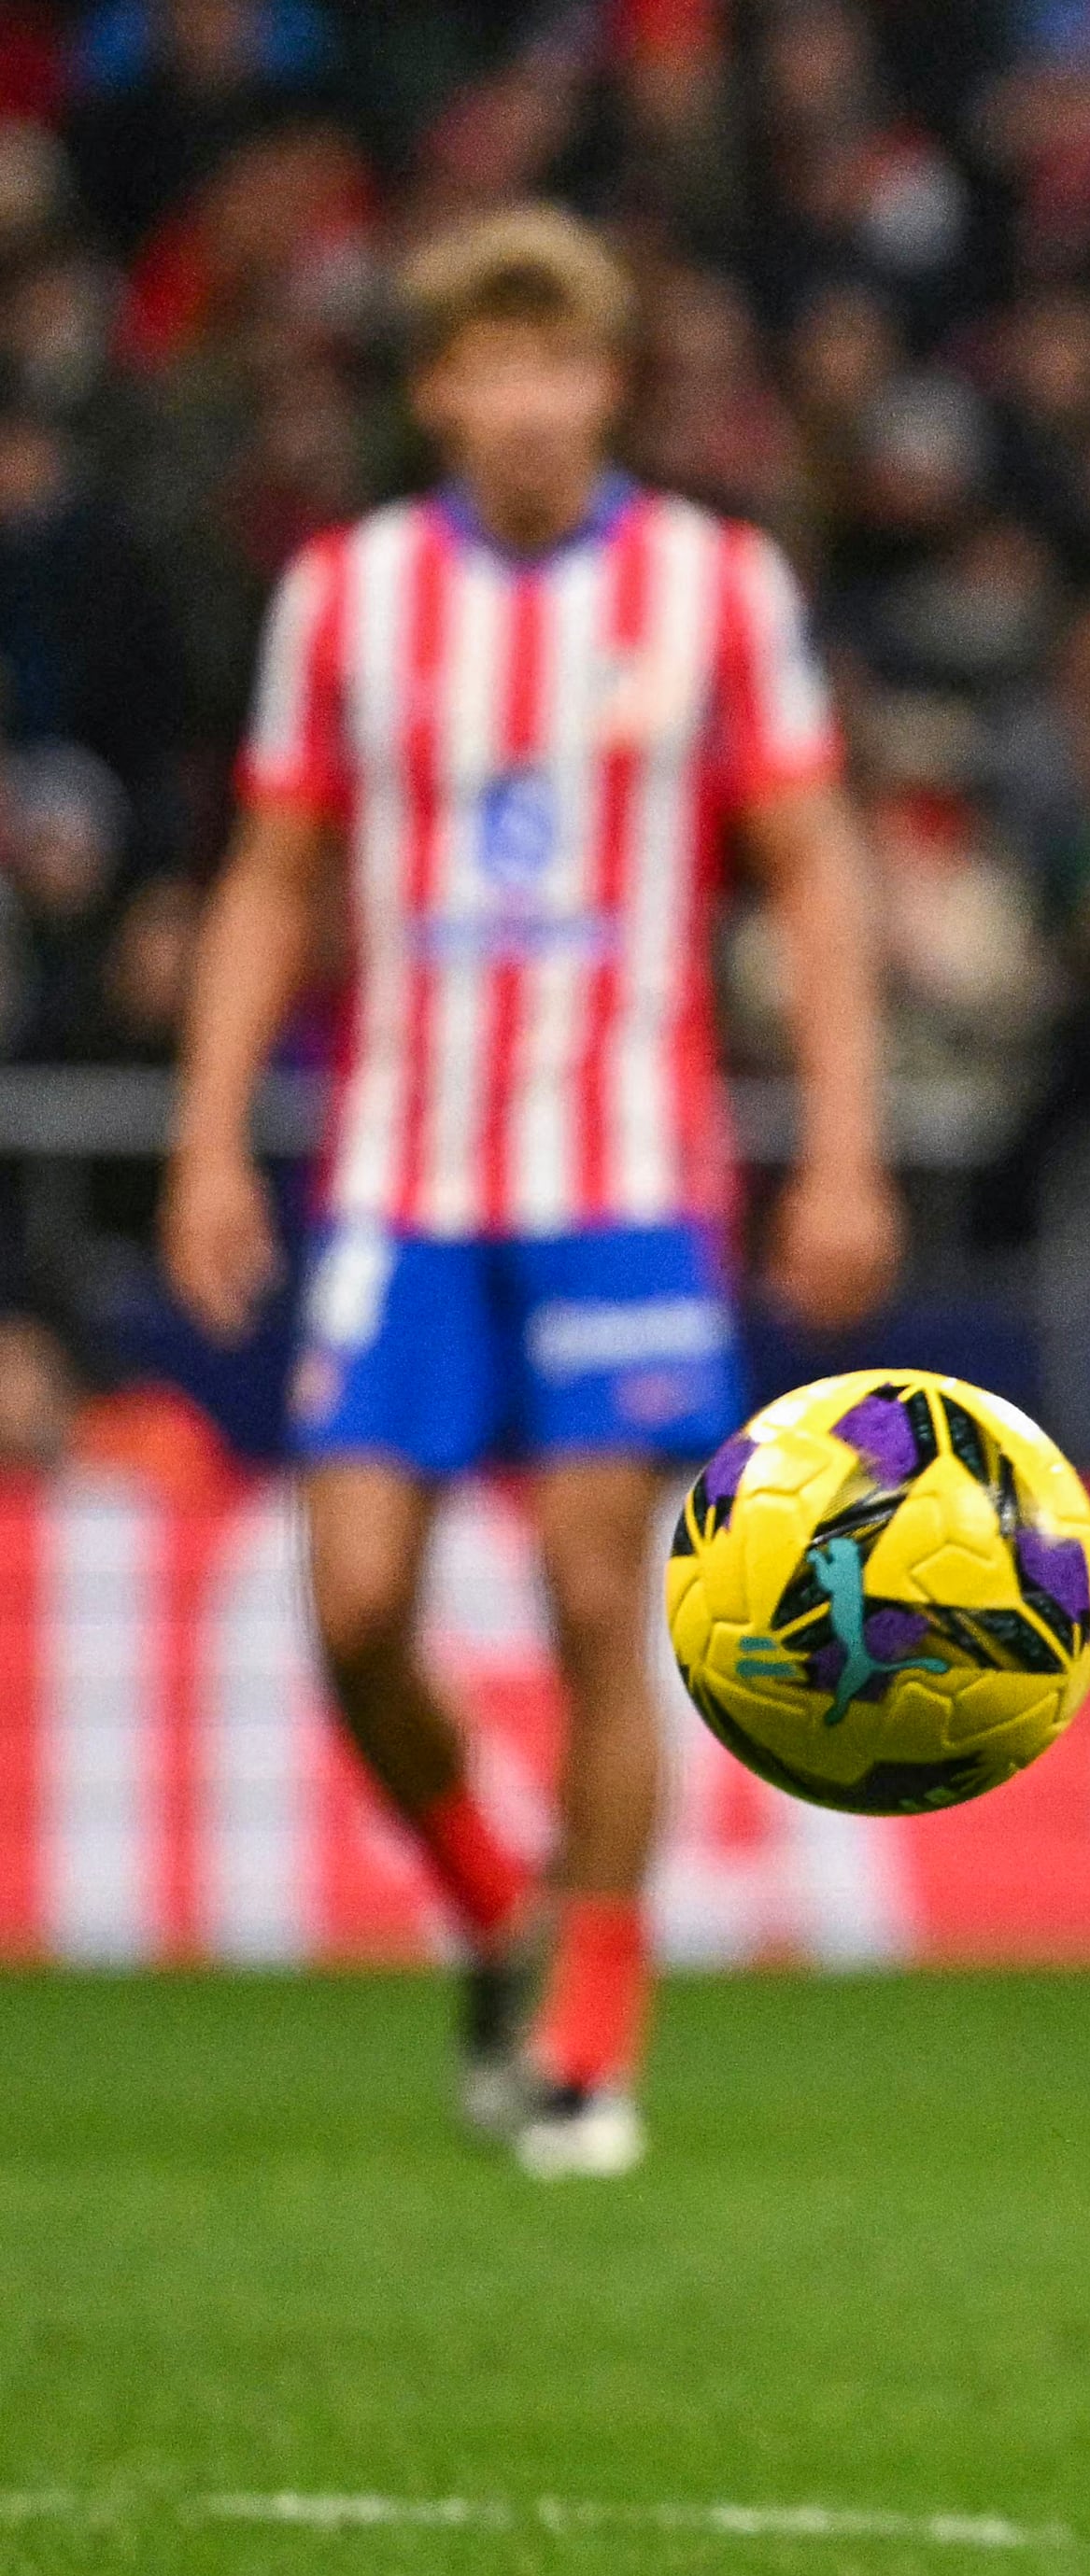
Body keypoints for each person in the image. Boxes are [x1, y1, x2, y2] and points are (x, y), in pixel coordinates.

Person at [159, 206, 898, 2180]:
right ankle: (491, 1887)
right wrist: (212, 1131)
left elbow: (816, 866)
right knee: (355, 1601)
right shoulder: (347, 597)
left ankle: (590, 2030)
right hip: (404, 1173)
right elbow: (273, 872)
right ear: (440, 389)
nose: (531, 396)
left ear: (609, 381)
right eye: (494, 360)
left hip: (623, 1175)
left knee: (598, 1586)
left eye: (565, 359)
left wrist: (839, 1142)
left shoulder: (714, 585)